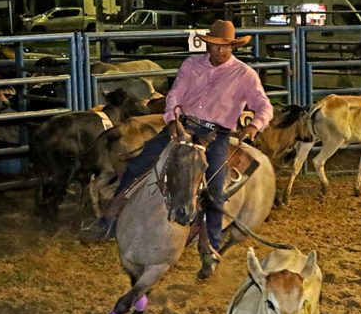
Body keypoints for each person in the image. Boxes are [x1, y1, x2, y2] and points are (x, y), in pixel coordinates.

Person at [80, 20, 274, 270]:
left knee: (215, 192)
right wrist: (171, 120)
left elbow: (264, 105)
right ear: (209, 44)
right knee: (137, 164)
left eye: (226, 46)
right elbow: (174, 96)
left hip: (216, 135)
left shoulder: (244, 74)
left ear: (232, 47)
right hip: (183, 125)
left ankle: (211, 247)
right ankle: (108, 220)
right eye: (216, 45)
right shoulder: (191, 65)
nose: (220, 50)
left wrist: (255, 125)